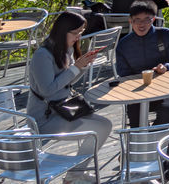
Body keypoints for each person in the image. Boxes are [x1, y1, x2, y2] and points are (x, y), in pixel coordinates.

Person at [27, 12, 113, 147]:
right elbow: (47, 90)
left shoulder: (67, 49)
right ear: (62, 31)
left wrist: (82, 66)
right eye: (76, 32)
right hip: (45, 118)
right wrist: (75, 67)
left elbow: (67, 82)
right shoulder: (43, 55)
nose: (79, 36)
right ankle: (79, 168)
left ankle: (79, 167)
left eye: (81, 32)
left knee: (106, 124)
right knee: (98, 129)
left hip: (65, 109)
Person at [114, 0, 169, 126]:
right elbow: (123, 73)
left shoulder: (167, 35)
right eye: (137, 20)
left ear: (153, 20)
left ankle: (154, 141)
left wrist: (166, 67)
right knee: (135, 118)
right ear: (130, 21)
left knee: (166, 112)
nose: (142, 24)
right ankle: (141, 143)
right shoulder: (123, 45)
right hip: (138, 92)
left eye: (146, 19)